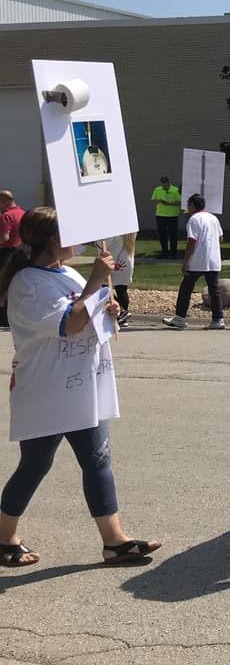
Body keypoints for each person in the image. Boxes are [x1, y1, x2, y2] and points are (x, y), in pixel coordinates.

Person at [0, 207, 160, 567]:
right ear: (53, 241)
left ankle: (114, 541)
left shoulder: (68, 272)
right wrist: (94, 282)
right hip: (47, 390)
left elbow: (87, 314)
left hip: (83, 385)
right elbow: (68, 324)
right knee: (36, 464)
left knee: (97, 459)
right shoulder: (28, 283)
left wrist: (109, 308)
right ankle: (4, 536)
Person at [162, 194, 224, 330]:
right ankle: (218, 318)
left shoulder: (194, 220)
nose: (187, 207)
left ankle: (180, 317)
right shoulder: (213, 218)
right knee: (214, 290)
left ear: (192, 205)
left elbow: (192, 241)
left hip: (197, 260)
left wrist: (185, 262)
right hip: (213, 260)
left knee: (186, 288)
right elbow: (220, 238)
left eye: (188, 204)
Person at [0, 190, 24, 330]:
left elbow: (4, 237)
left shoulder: (6, 216)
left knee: (3, 286)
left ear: (4, 201)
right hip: (22, 252)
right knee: (17, 284)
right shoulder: (22, 213)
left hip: (6, 253)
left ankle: (3, 319)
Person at [102, 232, 137, 327]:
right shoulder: (129, 233)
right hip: (125, 262)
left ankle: (122, 311)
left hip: (113, 261)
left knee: (102, 289)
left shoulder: (114, 233)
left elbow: (104, 244)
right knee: (121, 290)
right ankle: (123, 314)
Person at [150, 176, 183, 259]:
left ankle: (173, 253)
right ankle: (164, 252)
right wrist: (159, 201)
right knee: (162, 235)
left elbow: (180, 202)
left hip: (172, 215)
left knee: (173, 235)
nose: (163, 186)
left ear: (168, 182)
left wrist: (169, 203)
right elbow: (154, 199)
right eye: (162, 184)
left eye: (165, 184)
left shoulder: (175, 190)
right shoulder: (158, 189)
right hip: (160, 215)